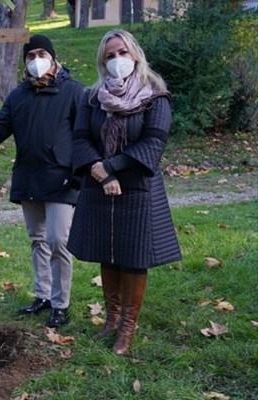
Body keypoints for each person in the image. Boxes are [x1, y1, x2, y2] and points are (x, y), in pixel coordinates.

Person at [0, 35, 84, 328]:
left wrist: (77, 175)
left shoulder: (74, 92)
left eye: (42, 54)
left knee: (58, 241)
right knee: (38, 240)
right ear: (25, 61)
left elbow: (85, 137)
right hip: (28, 179)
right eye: (30, 56)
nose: (36, 60)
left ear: (53, 57)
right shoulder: (17, 96)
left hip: (62, 179)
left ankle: (60, 304)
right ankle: (43, 296)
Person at [67, 29, 181, 355]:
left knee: (133, 256)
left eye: (122, 53)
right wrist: (101, 174)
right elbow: (79, 139)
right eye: (110, 56)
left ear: (135, 54)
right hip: (100, 183)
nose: (117, 60)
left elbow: (153, 143)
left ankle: (127, 329)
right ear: (103, 62)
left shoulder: (155, 96)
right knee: (107, 251)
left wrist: (113, 166)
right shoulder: (92, 97)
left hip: (138, 186)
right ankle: (111, 320)